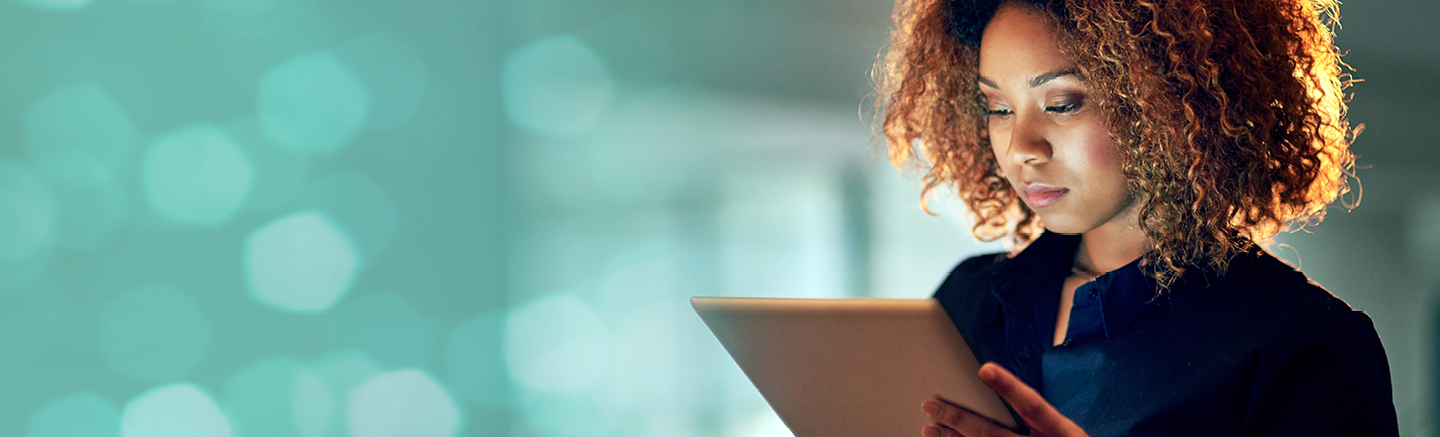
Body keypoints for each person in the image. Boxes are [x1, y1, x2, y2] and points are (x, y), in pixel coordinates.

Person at [875, 0, 1398, 435]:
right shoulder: (967, 302)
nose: (1020, 148)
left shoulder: (1301, 347)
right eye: (998, 107)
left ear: (1170, 100)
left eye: (1061, 104)